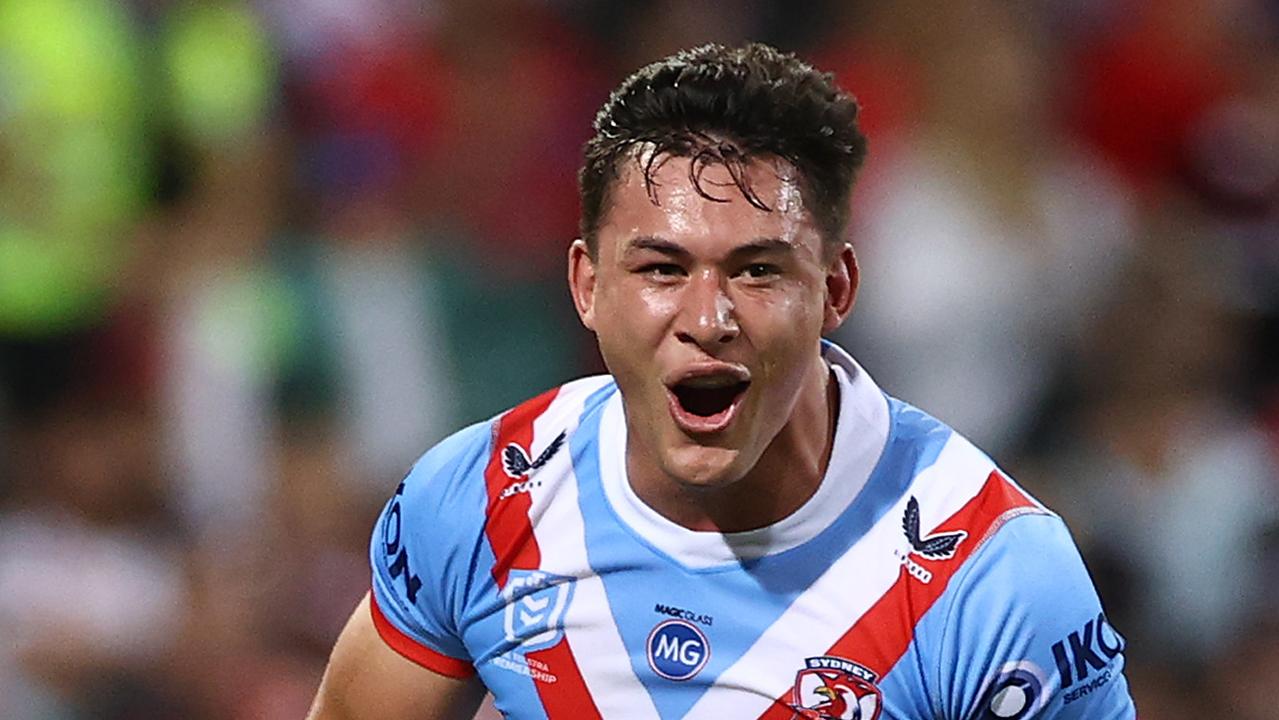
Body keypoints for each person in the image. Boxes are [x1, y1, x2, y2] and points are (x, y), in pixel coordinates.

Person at [308, 43, 1137, 720]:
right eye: (662, 269)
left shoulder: (990, 577)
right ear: (587, 288)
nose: (707, 318)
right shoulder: (481, 498)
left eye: (757, 271)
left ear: (835, 290)